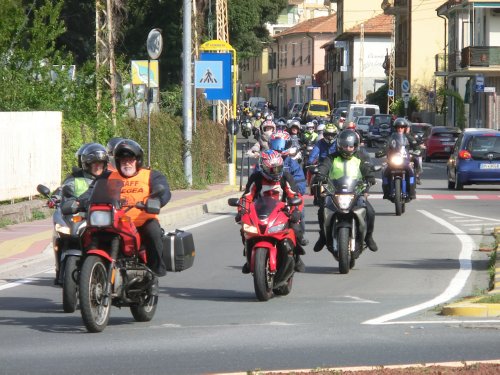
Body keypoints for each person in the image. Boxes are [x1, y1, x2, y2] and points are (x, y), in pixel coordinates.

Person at [86, 139, 172, 278]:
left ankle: (155, 270)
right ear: (118, 162)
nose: (127, 163)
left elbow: (164, 191)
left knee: (153, 232)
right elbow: (91, 192)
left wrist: (156, 201)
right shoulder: (107, 176)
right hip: (115, 222)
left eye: (130, 159)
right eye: (122, 160)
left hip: (142, 222)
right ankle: (88, 271)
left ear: (137, 160)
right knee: (89, 233)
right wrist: (79, 202)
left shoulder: (151, 175)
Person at [237, 150, 307, 273]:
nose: (276, 172)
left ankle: (296, 257)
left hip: (283, 212)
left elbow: (295, 196)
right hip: (261, 212)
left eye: (278, 168)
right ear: (263, 168)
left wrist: (295, 211)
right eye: (272, 169)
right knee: (245, 229)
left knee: (296, 230)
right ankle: (248, 256)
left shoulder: (286, 177)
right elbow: (247, 196)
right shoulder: (256, 178)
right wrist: (241, 211)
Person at [314, 129, 378, 253]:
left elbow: (366, 168)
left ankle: (369, 237)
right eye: (345, 146)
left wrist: (370, 177)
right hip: (335, 192)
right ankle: (322, 236)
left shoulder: (360, 157)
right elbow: (324, 167)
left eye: (351, 146)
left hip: (356, 191)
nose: (348, 148)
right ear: (339, 145)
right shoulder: (332, 158)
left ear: (355, 146)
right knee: (322, 210)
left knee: (370, 211)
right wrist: (320, 175)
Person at [55, 143, 108, 284]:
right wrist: (57, 197)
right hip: (79, 215)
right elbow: (63, 189)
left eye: (100, 163)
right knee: (61, 236)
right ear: (86, 164)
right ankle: (60, 270)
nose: (97, 166)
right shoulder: (75, 178)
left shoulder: (109, 178)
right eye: (94, 163)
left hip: (101, 218)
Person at [380, 118, 418, 199]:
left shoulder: (408, 137)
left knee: (411, 171)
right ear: (395, 128)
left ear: (405, 128)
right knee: (385, 172)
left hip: (405, 160)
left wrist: (417, 150)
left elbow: (415, 146)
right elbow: (386, 145)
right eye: (398, 127)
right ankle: (386, 191)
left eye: (402, 127)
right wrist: (382, 151)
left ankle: (412, 191)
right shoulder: (391, 137)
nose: (400, 129)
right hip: (393, 160)